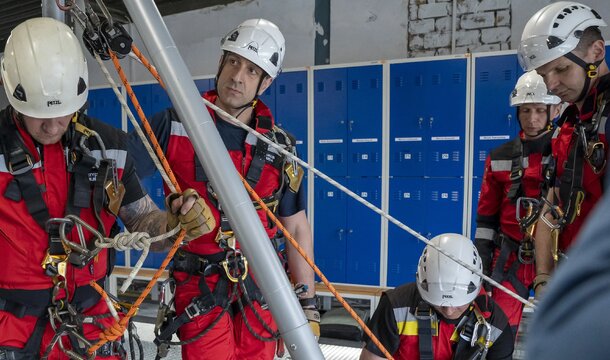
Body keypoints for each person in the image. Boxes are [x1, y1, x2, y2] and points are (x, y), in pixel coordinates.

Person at [0, 18, 214, 359]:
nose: (54, 126)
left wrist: (176, 224)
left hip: (91, 326)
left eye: (64, 114)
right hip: (13, 330)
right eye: (40, 115)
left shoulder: (108, 147)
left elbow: (144, 223)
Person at [128, 19, 317, 359]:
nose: (237, 77)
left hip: (262, 285)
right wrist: (160, 218)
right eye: (233, 62)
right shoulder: (176, 123)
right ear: (220, 63)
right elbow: (121, 177)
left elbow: (296, 226)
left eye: (251, 70)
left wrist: (307, 302)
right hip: (200, 283)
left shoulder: (279, 147)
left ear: (266, 83)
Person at [518, 1, 609, 296]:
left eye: (561, 69)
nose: (552, 84)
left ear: (596, 52)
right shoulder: (568, 127)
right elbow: (551, 205)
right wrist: (543, 276)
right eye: (545, 74)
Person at [474, 70, 561, 336]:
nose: (532, 119)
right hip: (510, 258)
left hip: (555, 259)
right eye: (525, 110)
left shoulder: (566, 153)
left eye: (538, 110)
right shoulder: (499, 157)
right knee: (497, 331)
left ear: (551, 111)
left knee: (561, 333)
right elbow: (486, 220)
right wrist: (482, 268)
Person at [360, 233, 514, 360]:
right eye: (439, 302)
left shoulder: (495, 324)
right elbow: (372, 357)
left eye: (457, 303)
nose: (448, 310)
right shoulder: (396, 305)